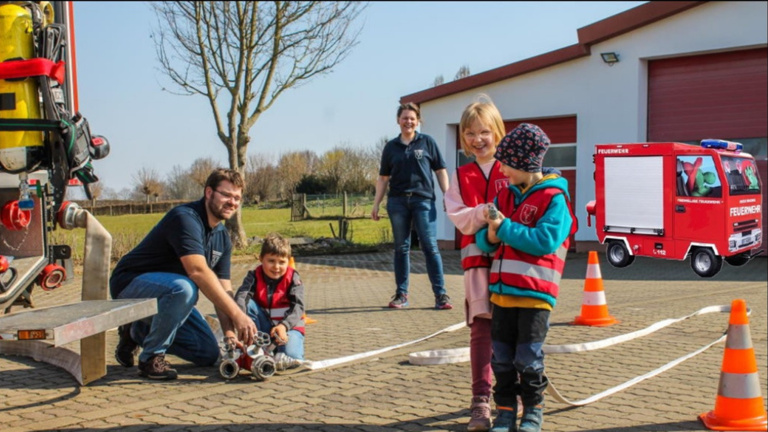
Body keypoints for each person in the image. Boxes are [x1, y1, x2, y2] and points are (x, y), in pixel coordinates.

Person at [110, 168, 258, 380]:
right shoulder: (185, 218)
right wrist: (239, 316)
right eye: (226, 194)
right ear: (209, 193)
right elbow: (197, 271)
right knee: (185, 288)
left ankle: (136, 331)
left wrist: (230, 335)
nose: (232, 202)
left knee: (207, 353)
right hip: (130, 284)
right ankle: (151, 358)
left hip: (170, 297)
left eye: (237, 198)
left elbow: (224, 291)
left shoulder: (222, 238)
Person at [476, 124, 575, 432]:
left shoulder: (554, 199)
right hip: (502, 294)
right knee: (502, 358)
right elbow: (486, 239)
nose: (502, 169)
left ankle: (533, 411)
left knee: (528, 359)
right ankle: (505, 411)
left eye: (506, 162)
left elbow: (544, 241)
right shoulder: (505, 196)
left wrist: (503, 228)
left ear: (524, 163)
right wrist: (489, 236)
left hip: (535, 296)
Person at [445, 96, 508, 432]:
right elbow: (458, 217)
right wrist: (482, 213)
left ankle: (511, 399)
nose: (478, 139)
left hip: (512, 262)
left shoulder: (511, 169)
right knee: (482, 330)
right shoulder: (461, 175)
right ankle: (480, 402)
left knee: (511, 329)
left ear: (497, 132)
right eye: (470, 133)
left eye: (484, 131)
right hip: (476, 265)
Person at [371, 102, 452, 310]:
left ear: (418, 121)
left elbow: (440, 170)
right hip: (397, 201)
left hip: (423, 201)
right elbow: (383, 178)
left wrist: (448, 196)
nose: (408, 121)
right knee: (401, 248)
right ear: (398, 120)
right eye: (405, 117)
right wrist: (376, 204)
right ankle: (401, 294)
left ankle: (441, 295)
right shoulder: (391, 147)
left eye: (412, 118)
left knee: (430, 246)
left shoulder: (427, 143)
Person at [230, 233, 305, 370]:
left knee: (293, 357)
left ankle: (275, 354)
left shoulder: (293, 278)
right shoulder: (253, 276)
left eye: (282, 262)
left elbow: (298, 307)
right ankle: (253, 346)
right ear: (261, 259)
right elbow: (241, 297)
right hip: (264, 329)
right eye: (271, 261)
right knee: (248, 304)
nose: (276, 267)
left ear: (288, 261)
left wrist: (284, 326)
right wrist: (240, 321)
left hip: (288, 328)